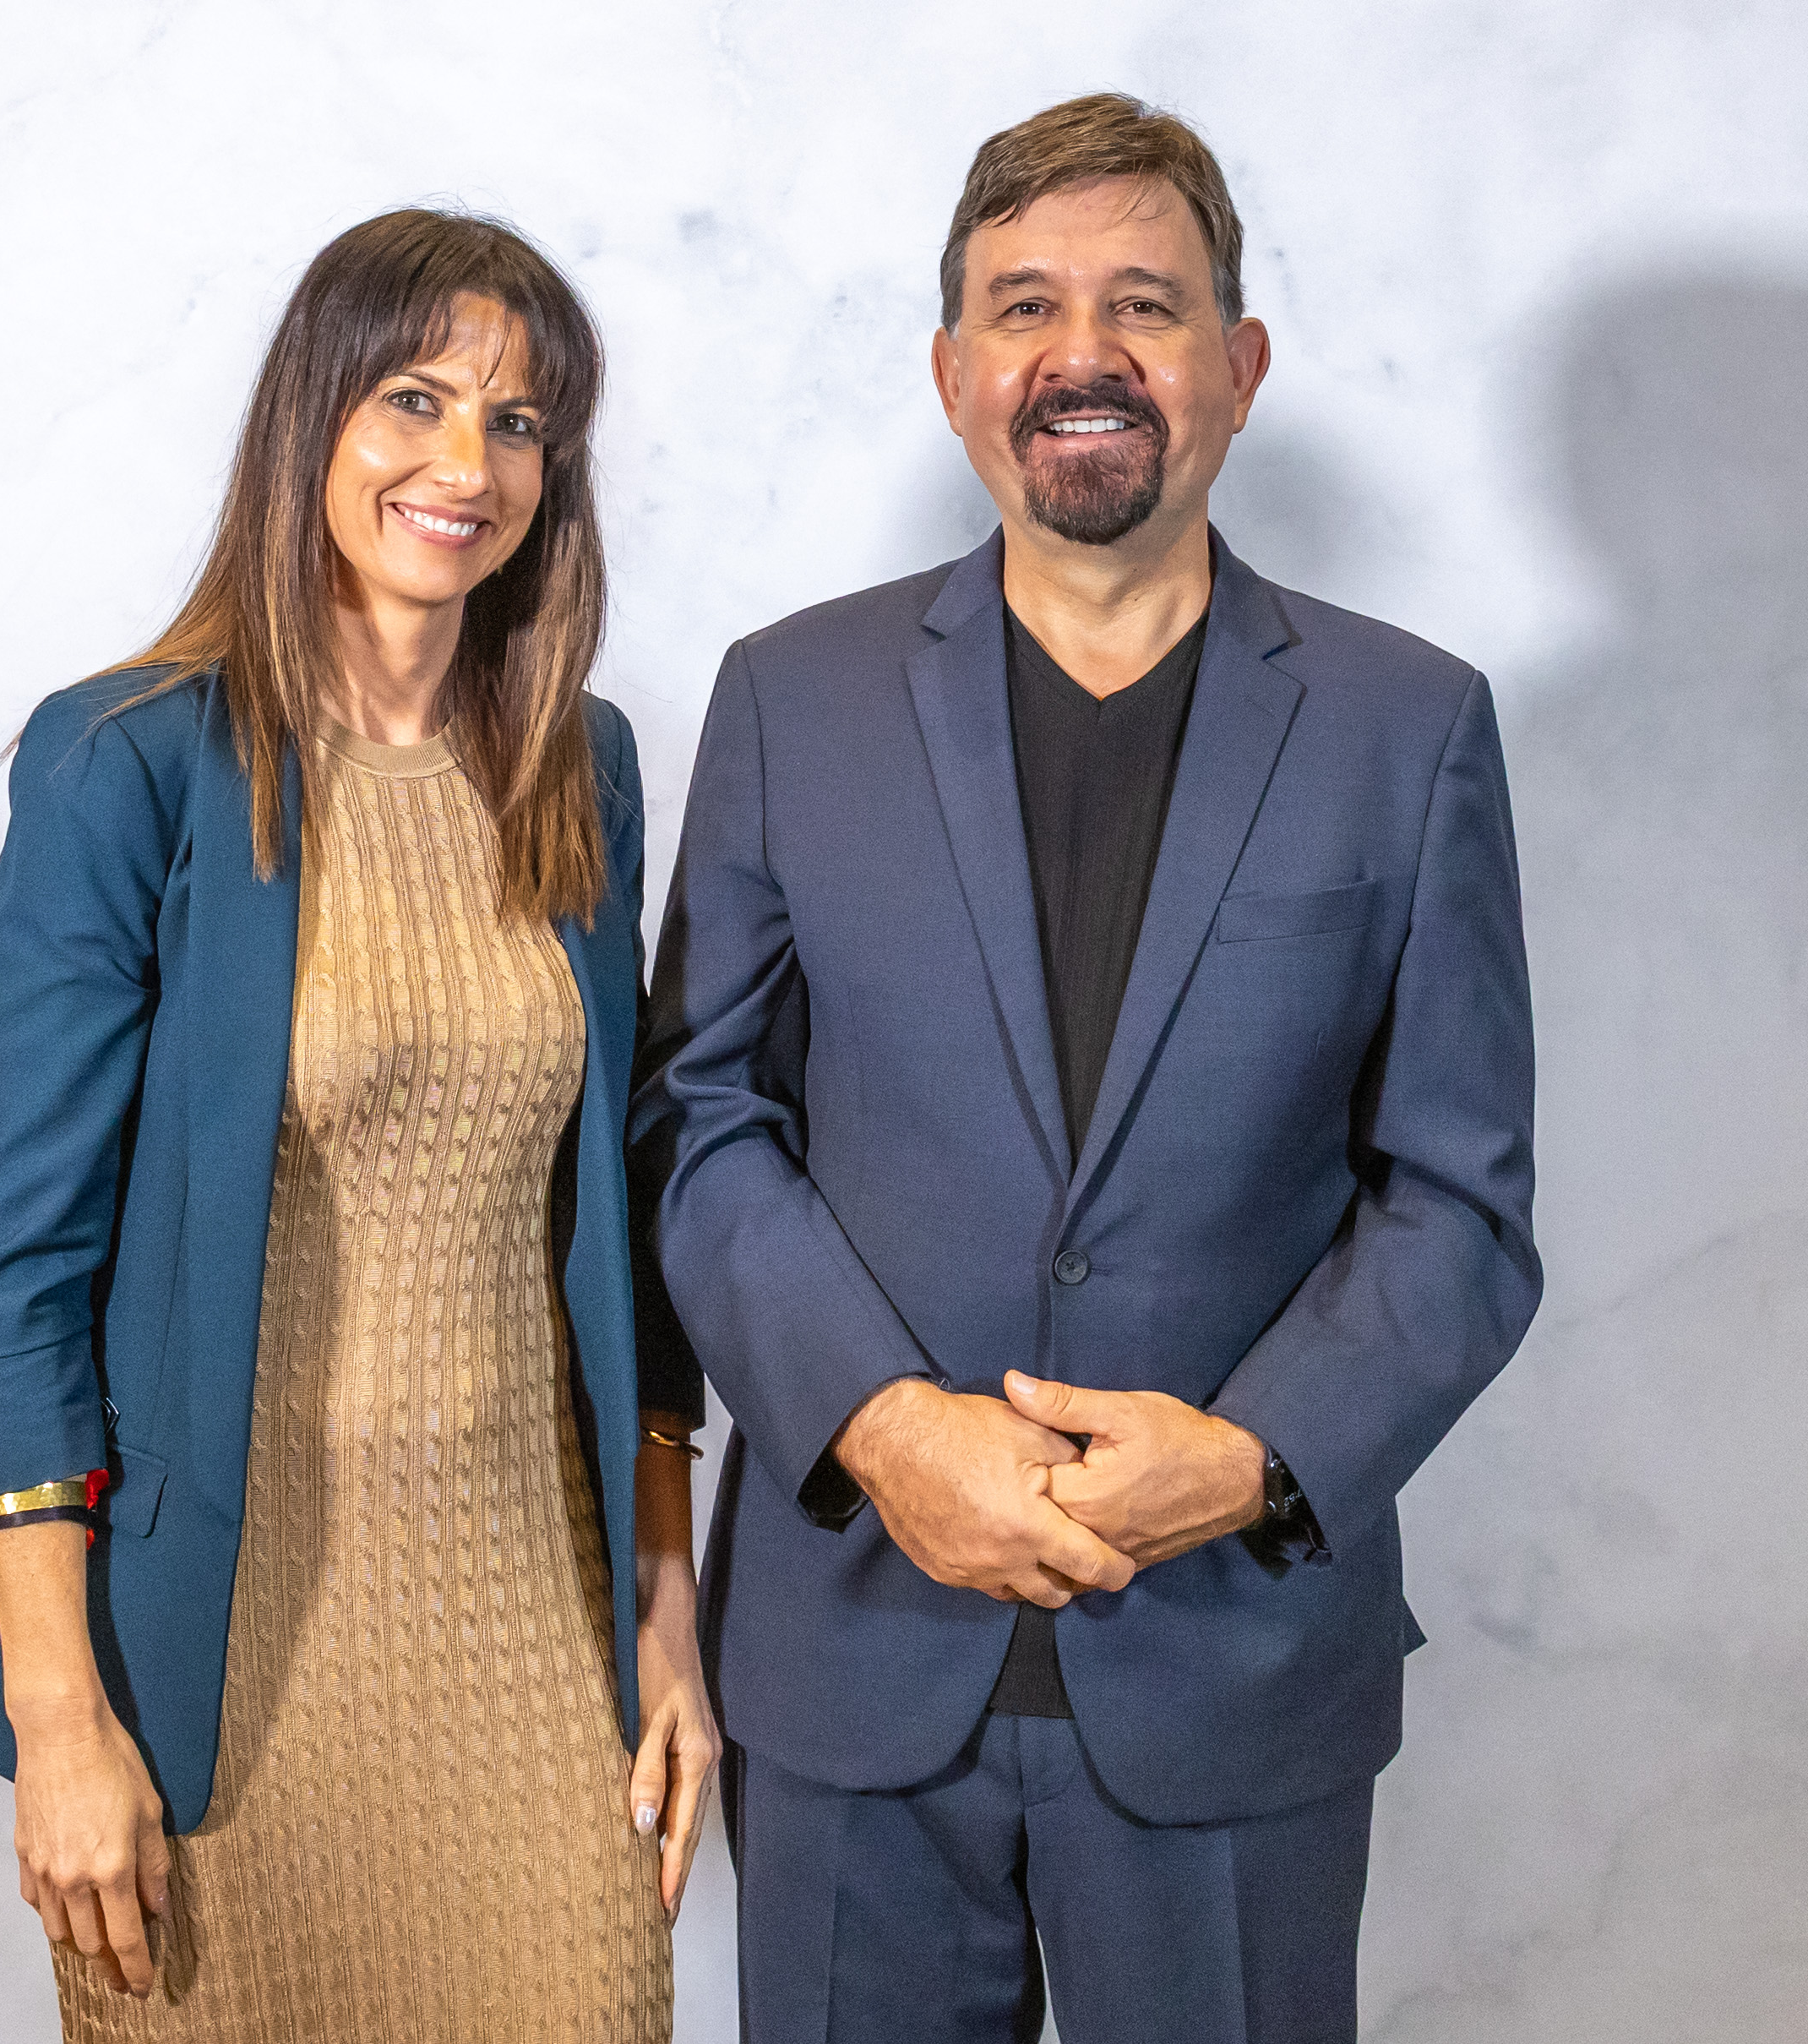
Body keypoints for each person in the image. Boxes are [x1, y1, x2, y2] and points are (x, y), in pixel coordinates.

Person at [634, 95, 1541, 2041]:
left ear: (1240, 362)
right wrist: (886, 1426)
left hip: (1235, 1671)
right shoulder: (790, 699)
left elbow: (1461, 1206)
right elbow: (702, 1120)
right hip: (853, 1657)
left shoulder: (1409, 726)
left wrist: (1253, 1458)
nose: (1085, 352)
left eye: (1146, 302)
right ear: (955, 372)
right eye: (1026, 305)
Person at [0, 208, 716, 2043]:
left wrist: (667, 1615)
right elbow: (20, 1276)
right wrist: (59, 1718)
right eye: (414, 399)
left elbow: (631, 1230)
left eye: (518, 423)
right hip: (213, 1678)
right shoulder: (126, 762)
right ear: (313, 417)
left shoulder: (578, 763)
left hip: (541, 1652)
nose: (467, 465)